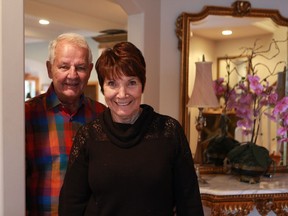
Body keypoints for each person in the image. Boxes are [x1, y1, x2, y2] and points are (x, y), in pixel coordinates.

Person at [59, 41, 204, 215]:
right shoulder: (88, 136)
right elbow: (71, 204)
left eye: (131, 82)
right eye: (112, 83)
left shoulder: (169, 132)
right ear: (103, 88)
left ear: (143, 85)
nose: (122, 94)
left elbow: (189, 203)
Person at [25, 33, 106, 215]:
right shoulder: (26, 115)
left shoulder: (102, 116)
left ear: (90, 69)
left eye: (80, 67)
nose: (73, 75)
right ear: (49, 68)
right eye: (63, 66)